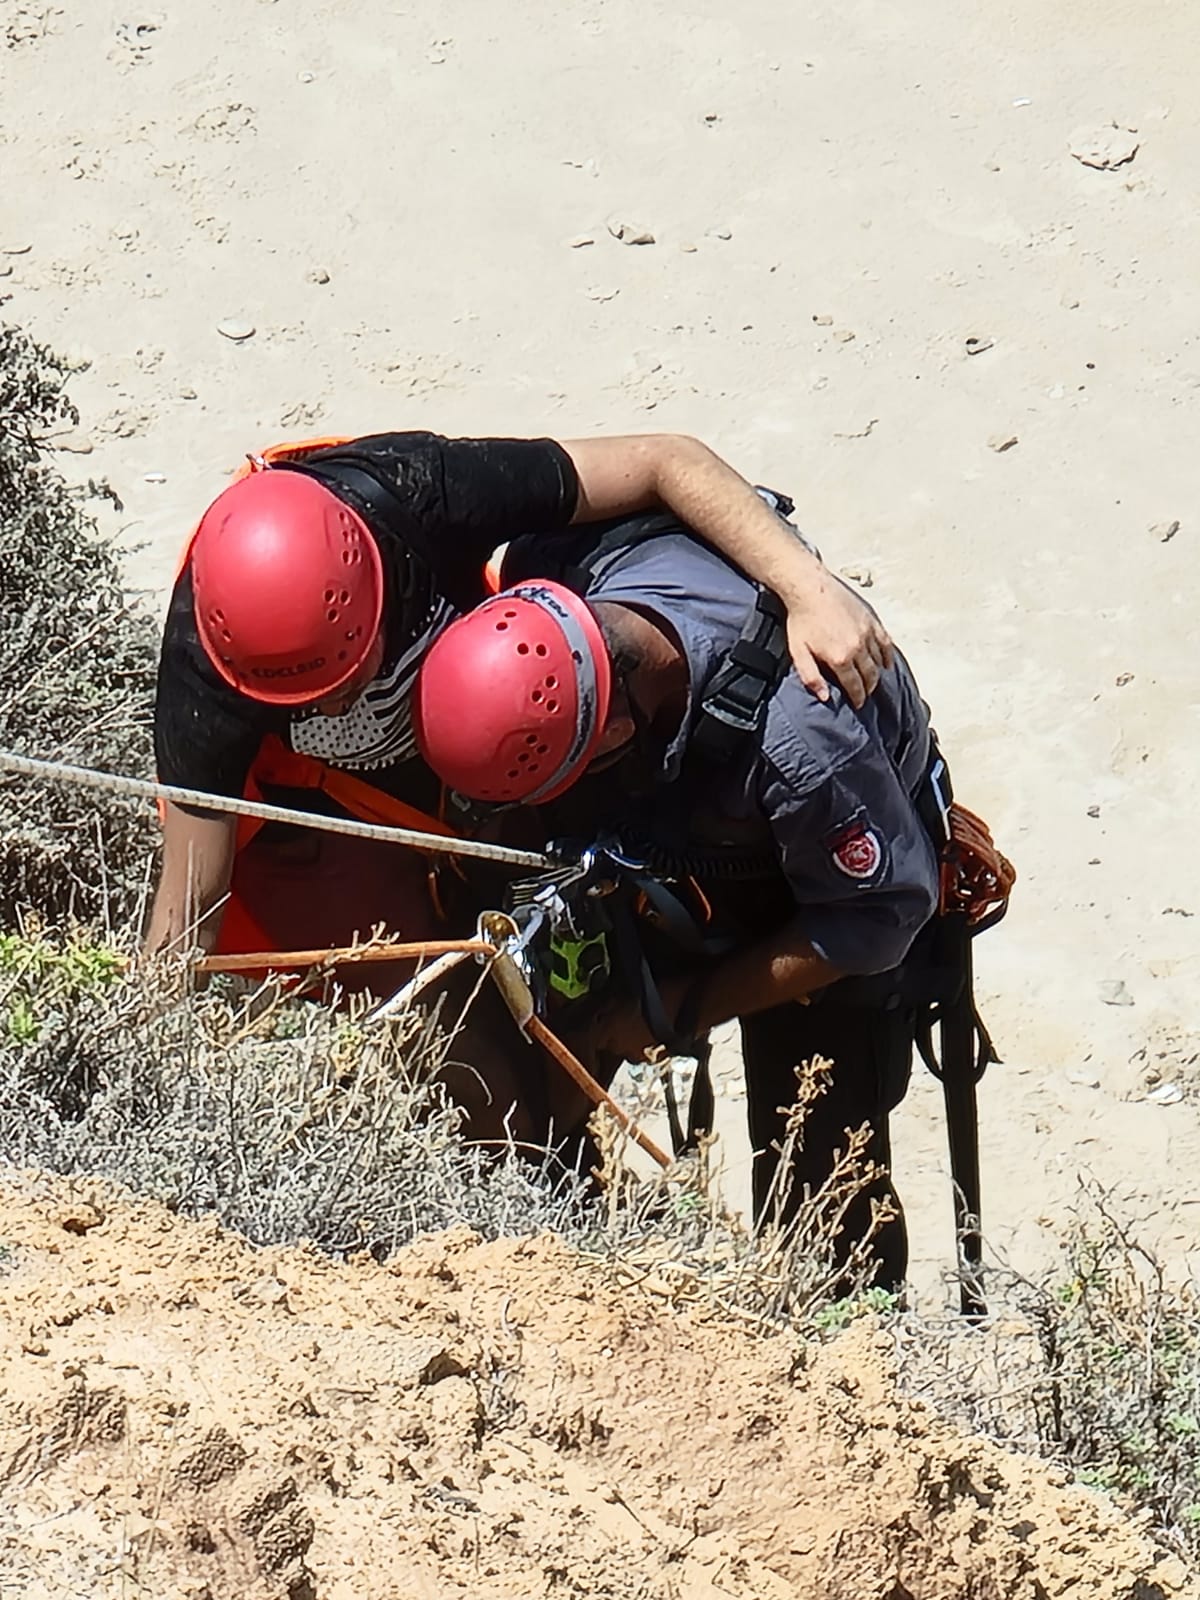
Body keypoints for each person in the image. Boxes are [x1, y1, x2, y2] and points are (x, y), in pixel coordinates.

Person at [411, 515, 961, 1290]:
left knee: (824, 1178)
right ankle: (562, 1261)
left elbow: (876, 919)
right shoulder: (566, 569)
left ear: (617, 731)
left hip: (831, 896)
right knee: (546, 1037)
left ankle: (844, 1334)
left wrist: (679, 1007)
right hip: (671, 839)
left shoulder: (804, 744)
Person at [146, 430, 893, 971]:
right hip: (353, 816)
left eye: (345, 678)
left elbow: (665, 461)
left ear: (375, 597)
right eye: (308, 699)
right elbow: (190, 905)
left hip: (524, 725)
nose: (337, 709)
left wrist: (808, 590)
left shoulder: (421, 492)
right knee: (439, 1015)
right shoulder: (209, 669)